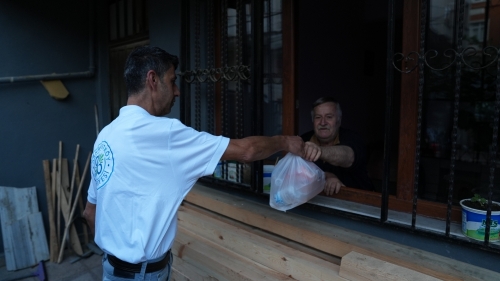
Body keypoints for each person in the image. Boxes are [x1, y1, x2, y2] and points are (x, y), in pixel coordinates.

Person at [82, 46, 318, 281]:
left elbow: (90, 212)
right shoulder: (165, 134)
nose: (177, 92)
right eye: (172, 81)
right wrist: (285, 141)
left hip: (110, 269)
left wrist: (116, 253)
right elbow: (247, 151)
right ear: (152, 80)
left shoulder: (106, 135)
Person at [301, 97, 374, 195]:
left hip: (359, 202)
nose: (323, 122)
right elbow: (297, 173)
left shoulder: (354, 138)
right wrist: (326, 176)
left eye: (329, 117)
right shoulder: (304, 140)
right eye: (318, 117)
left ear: (339, 120)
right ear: (313, 121)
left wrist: (317, 151)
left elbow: (348, 157)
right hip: (315, 201)